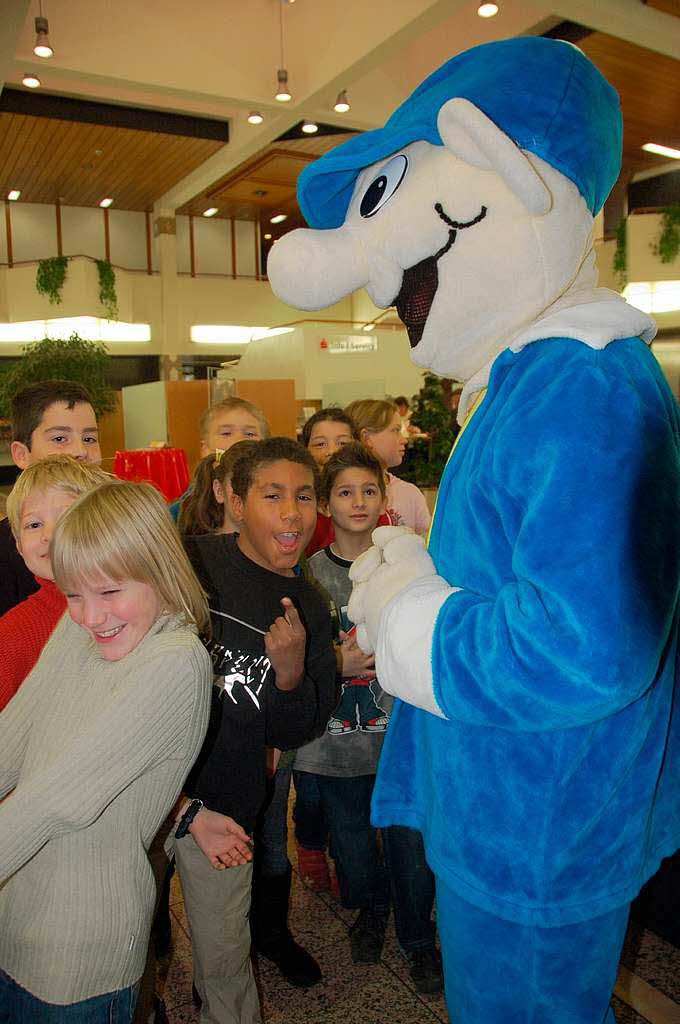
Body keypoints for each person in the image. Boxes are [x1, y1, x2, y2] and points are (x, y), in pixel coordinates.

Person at [0, 479, 212, 1023]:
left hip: (80, 948)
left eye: (110, 592)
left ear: (161, 572)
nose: (90, 616)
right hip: (16, 914)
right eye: (73, 595)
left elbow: (56, 800)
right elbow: (11, 739)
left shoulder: (175, 661)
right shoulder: (81, 632)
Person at [176, 437, 337, 1022]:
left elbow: (299, 728)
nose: (293, 512)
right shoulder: (189, 560)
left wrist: (291, 670)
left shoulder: (309, 607)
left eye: (304, 496)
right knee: (137, 929)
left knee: (224, 955)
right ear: (236, 503)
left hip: (230, 799)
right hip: (152, 790)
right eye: (273, 496)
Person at [294, 444, 443, 993]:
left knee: (410, 845)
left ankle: (418, 939)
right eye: (344, 492)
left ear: (386, 495)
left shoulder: (410, 570)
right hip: (332, 745)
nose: (358, 502)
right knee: (353, 847)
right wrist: (336, 659)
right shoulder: (306, 577)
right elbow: (292, 660)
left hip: (397, 741)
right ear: (326, 504)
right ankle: (370, 910)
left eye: (368, 490)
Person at [0, 455, 110, 711]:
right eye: (34, 524)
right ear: (18, 545)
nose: (49, 535)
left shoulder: (129, 609)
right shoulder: (12, 634)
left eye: (66, 518)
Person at [0, 379, 101, 616]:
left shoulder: (123, 530)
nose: (80, 451)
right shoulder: (5, 559)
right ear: (22, 455)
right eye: (59, 439)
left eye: (89, 439)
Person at [169, 398, 269, 521]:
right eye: (226, 433)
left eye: (250, 434)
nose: (238, 440)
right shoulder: (185, 508)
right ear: (205, 449)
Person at [346, 399, 430, 536]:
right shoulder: (337, 495)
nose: (404, 440)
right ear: (366, 438)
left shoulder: (410, 493)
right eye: (396, 430)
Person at [301, 407, 356, 556]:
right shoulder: (297, 503)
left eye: (342, 443)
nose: (332, 451)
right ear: (305, 450)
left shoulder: (368, 501)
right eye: (320, 444)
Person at [177, 442, 259, 537]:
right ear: (219, 491)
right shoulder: (197, 549)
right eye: (242, 483)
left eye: (272, 494)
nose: (252, 494)